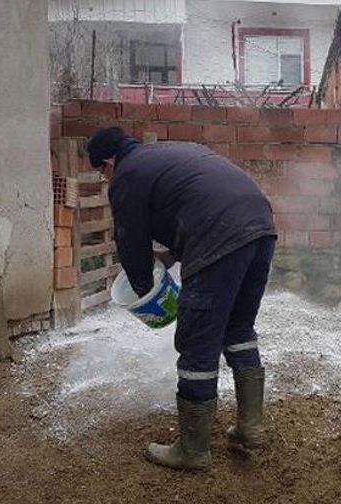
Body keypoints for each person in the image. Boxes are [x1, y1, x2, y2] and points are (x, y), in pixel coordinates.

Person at [86, 127, 277, 471]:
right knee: (238, 329)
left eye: (101, 171)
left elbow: (130, 240)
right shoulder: (169, 155)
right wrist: (172, 255)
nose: (105, 179)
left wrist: (144, 286)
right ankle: (252, 427)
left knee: (197, 341)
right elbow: (197, 201)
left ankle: (193, 450)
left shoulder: (126, 175)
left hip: (220, 237)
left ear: (109, 161)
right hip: (261, 228)